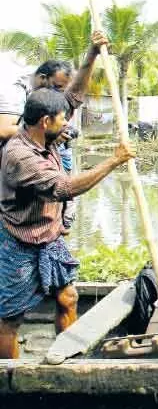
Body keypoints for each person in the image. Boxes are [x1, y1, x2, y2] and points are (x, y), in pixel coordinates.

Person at [0, 88, 135, 358]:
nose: (68, 125)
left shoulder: (43, 137)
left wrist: (93, 54)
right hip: (20, 240)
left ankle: (69, 357)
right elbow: (64, 188)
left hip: (49, 236)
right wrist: (113, 161)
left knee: (68, 297)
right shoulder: (20, 156)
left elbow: (72, 97)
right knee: (10, 319)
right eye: (63, 120)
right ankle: (10, 378)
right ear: (45, 121)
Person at [28, 31, 110, 233]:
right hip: (34, 162)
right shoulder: (30, 100)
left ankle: (61, 224)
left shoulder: (59, 99)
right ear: (42, 79)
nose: (60, 93)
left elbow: (75, 93)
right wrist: (113, 161)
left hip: (58, 155)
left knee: (64, 203)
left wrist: (92, 53)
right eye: (56, 87)